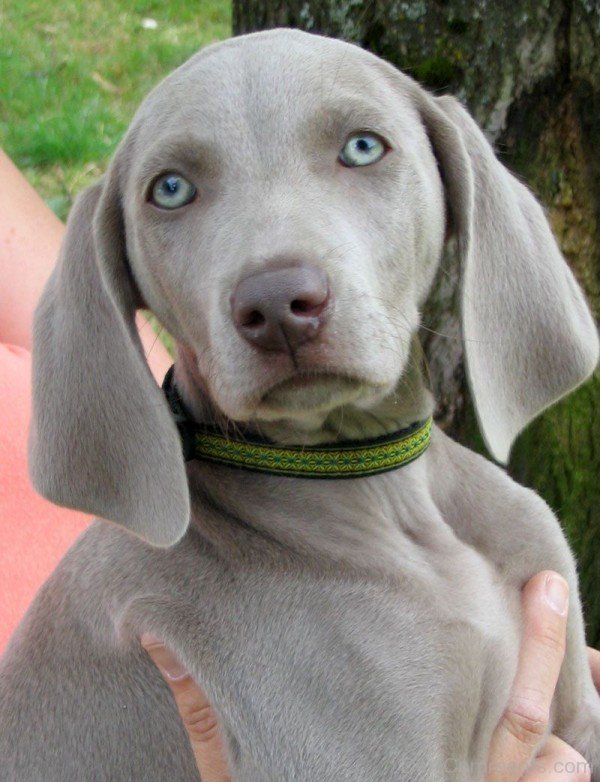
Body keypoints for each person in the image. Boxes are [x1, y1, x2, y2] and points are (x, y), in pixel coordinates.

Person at [0, 148, 597, 780]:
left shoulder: (499, 521)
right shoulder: (222, 602)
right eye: (172, 190)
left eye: (362, 149)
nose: (277, 293)